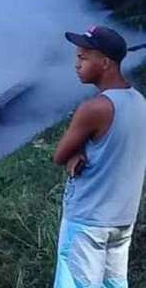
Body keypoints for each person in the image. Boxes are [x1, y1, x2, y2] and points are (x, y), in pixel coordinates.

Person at [53, 25, 146, 287]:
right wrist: (83, 149)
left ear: (105, 63)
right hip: (122, 220)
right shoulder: (139, 102)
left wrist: (76, 152)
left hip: (88, 220)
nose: (76, 64)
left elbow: (59, 155)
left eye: (83, 57)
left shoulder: (95, 108)